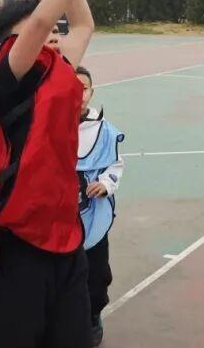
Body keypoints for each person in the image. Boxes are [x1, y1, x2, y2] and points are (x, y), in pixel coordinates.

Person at [0, 0, 146, 348]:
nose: (51, 34)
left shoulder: (55, 69)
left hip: (65, 240)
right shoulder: (7, 80)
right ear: (6, 44)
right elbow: (47, 16)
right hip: (12, 249)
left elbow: (82, 22)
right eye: (36, 32)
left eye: (51, 34)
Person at [73, 65, 125, 347]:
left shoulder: (104, 130)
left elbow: (116, 164)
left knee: (97, 275)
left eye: (84, 88)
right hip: (58, 218)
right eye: (73, 87)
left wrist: (106, 183)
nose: (79, 94)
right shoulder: (47, 124)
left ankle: (93, 315)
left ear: (91, 92)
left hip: (92, 218)